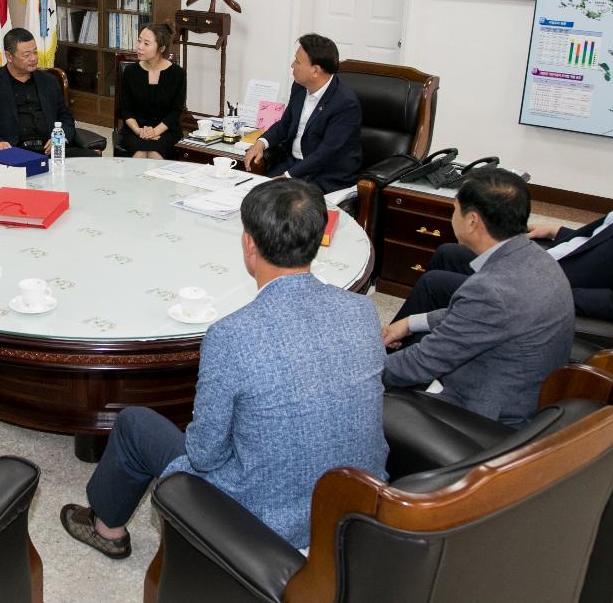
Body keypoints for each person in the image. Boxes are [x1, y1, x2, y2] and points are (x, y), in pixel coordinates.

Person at [60, 179, 387, 558]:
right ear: (316, 242)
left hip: (267, 520)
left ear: (249, 245)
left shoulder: (232, 335)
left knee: (135, 424)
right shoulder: (362, 311)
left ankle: (107, 529)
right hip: (355, 506)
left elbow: (204, 454)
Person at [396, 120, 613, 326]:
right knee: (449, 253)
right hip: (545, 267)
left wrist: (548, 288)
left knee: (435, 282)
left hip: (547, 290)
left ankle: (389, 351)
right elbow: (605, 247)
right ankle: (432, 339)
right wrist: (559, 231)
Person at [382, 169, 574, 427]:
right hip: (522, 390)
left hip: (486, 416)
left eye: (454, 209)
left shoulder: (490, 292)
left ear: (472, 222)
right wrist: (409, 322)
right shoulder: (535, 257)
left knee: (371, 399)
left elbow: (422, 363)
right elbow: (475, 317)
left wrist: (358, 366)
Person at [242, 33, 362, 192]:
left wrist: (287, 177)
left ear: (315, 71)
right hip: (293, 164)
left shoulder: (345, 103)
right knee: (249, 190)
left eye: (297, 61)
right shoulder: (299, 87)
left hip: (325, 175)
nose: (292, 65)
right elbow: (285, 124)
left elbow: (326, 154)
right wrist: (260, 142)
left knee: (274, 199)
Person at [0, 28, 100, 158]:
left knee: (93, 161)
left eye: (35, 52)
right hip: (15, 151)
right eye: (26, 55)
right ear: (9, 56)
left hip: (51, 149)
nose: (33, 58)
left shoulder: (49, 81)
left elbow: (65, 116)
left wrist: (62, 137)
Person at [118, 23, 186, 159]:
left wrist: (155, 131)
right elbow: (125, 109)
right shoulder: (130, 73)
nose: (139, 47)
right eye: (139, 41)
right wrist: (138, 130)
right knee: (139, 153)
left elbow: (176, 111)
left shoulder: (178, 74)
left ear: (161, 48)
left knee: (155, 153)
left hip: (166, 129)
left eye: (146, 43)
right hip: (135, 129)